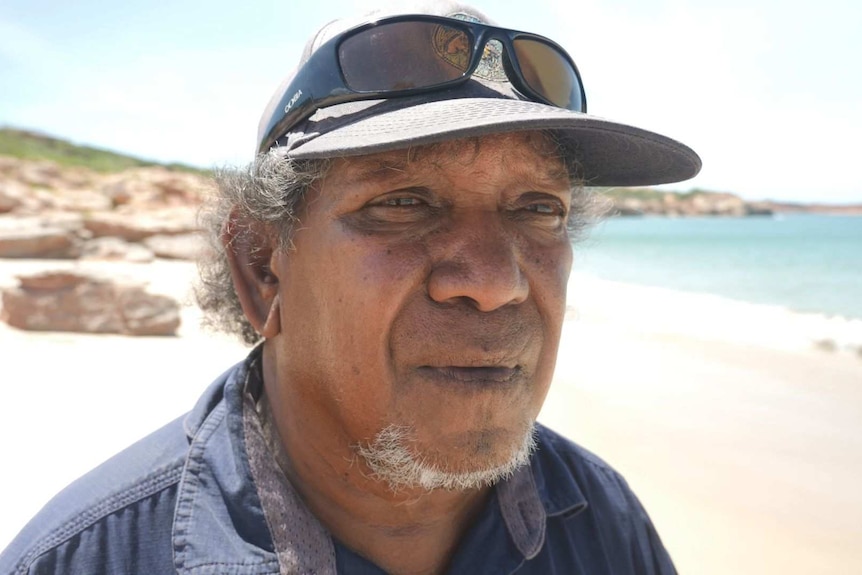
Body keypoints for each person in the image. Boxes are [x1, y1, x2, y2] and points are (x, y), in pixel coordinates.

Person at [0, 2, 700, 574]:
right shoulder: (85, 558)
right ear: (262, 264)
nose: (495, 282)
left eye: (537, 208)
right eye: (404, 202)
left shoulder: (602, 522)